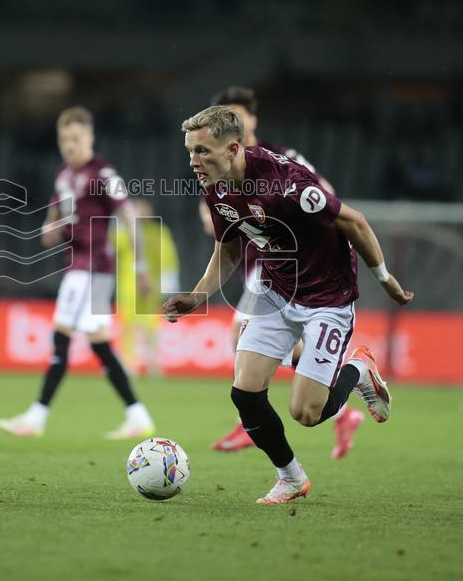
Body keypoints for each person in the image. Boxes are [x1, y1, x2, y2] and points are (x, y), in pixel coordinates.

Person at [164, 106, 413, 504]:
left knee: (308, 413)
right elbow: (228, 248)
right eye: (190, 152)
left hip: (327, 299)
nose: (193, 162)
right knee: (244, 393)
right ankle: (291, 477)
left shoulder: (287, 184)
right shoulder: (216, 187)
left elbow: (355, 222)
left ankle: (359, 368)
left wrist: (384, 278)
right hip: (275, 290)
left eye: (202, 152)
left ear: (232, 148)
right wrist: (196, 296)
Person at [202, 87, 364, 458]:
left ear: (254, 119)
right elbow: (214, 216)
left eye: (240, 114)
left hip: (287, 266)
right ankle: (337, 407)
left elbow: (326, 196)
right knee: (269, 345)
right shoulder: (215, 164)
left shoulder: (283, 159)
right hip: (253, 263)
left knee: (239, 331)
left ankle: (253, 417)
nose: (235, 121)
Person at [0, 106, 156, 440]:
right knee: (99, 345)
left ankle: (36, 417)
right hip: (82, 266)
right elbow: (55, 215)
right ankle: (137, 415)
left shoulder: (102, 173)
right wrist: (48, 227)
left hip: (93, 268)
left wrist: (141, 266)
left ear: (90, 137)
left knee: (61, 335)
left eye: (75, 137)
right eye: (64, 138)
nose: (69, 144)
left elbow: (129, 216)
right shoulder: (63, 174)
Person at [114, 198, 180, 377]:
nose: (141, 214)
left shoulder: (158, 232)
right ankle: (129, 365)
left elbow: (168, 257)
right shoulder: (123, 232)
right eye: (137, 211)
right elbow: (111, 248)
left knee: (152, 325)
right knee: (128, 325)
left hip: (152, 287)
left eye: (144, 210)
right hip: (128, 287)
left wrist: (169, 284)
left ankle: (153, 363)